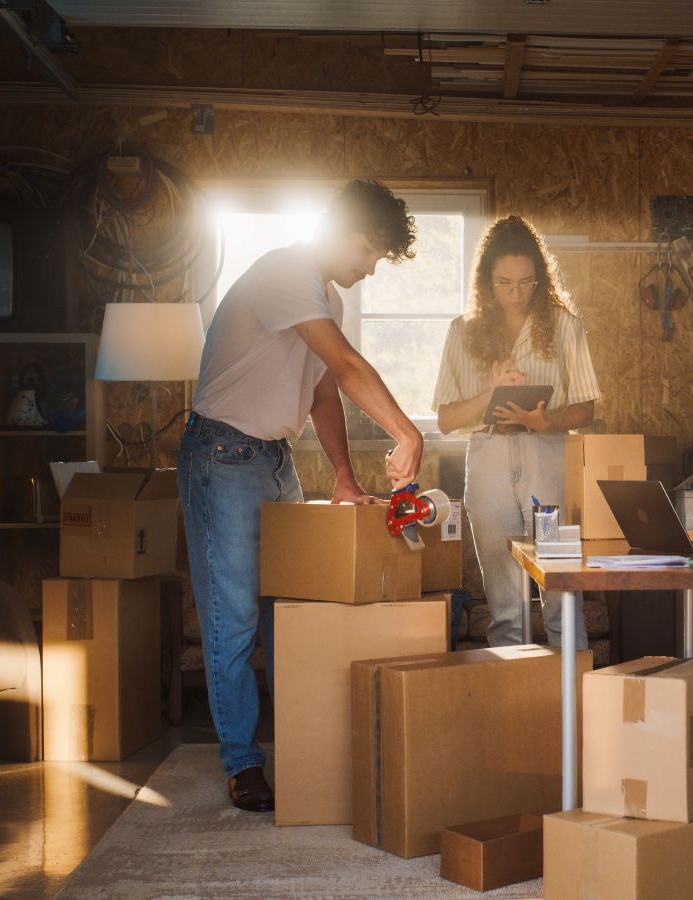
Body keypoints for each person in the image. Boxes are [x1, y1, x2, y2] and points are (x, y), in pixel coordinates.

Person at [178, 179, 424, 812]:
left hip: (273, 459)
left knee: (286, 613)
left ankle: (299, 746)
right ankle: (242, 762)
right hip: (223, 455)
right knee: (233, 618)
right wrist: (405, 431)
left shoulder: (325, 300)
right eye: (369, 251)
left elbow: (322, 392)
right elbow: (343, 366)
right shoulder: (286, 270)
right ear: (338, 230)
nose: (370, 268)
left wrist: (342, 475)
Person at [433, 215, 601, 650]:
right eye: (504, 283)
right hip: (487, 456)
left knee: (561, 584)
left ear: (540, 280)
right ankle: (516, 702)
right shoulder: (462, 332)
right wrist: (490, 393)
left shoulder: (566, 326)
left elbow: (586, 408)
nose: (515, 294)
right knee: (505, 598)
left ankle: (575, 700)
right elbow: (447, 420)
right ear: (486, 282)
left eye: (526, 283)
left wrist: (545, 422)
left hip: (547, 455)